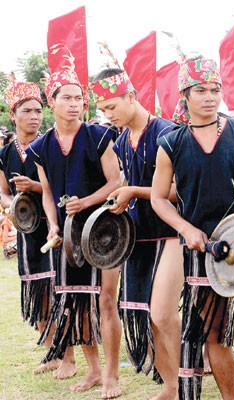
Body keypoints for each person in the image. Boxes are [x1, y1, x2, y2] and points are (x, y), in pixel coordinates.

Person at [151, 56, 234, 400]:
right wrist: (186, 229)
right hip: (202, 249)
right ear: (184, 95)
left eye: (215, 89)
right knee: (213, 335)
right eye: (200, 90)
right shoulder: (171, 143)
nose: (209, 97)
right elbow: (159, 199)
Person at [27, 62, 123, 399]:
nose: (73, 104)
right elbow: (49, 192)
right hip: (67, 233)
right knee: (76, 300)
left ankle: (112, 375)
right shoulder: (40, 147)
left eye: (79, 98)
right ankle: (94, 370)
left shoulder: (98, 135)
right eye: (66, 97)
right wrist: (53, 223)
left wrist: (86, 202)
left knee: (106, 302)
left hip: (105, 229)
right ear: (51, 101)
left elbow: (116, 182)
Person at [91, 68, 183, 400]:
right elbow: (126, 187)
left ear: (131, 96)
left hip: (171, 233)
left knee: (161, 312)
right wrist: (121, 198)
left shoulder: (168, 132)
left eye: (112, 106)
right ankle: (172, 385)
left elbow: (176, 191)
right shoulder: (120, 142)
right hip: (137, 237)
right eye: (103, 110)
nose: (108, 115)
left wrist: (134, 191)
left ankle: (187, 375)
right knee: (146, 315)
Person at [0, 81, 78, 377]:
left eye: (37, 110)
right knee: (37, 290)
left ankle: (68, 354)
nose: (34, 116)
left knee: (60, 290)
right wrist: (12, 201)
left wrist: (35, 186)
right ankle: (51, 353)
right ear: (13, 115)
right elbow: (3, 192)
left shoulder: (50, 146)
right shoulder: (5, 153)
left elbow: (61, 187)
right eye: (27, 110)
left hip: (53, 228)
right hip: (25, 230)